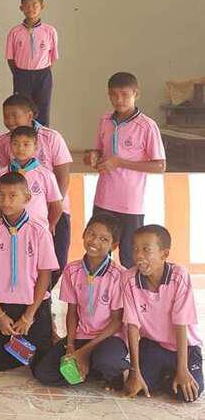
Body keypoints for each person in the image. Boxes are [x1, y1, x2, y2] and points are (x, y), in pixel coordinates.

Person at [33, 213, 128, 388]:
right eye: (91, 234)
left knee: (107, 362)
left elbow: (116, 322)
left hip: (109, 338)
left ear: (113, 246)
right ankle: (91, 370)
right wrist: (70, 346)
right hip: (81, 336)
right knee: (43, 373)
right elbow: (72, 312)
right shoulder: (72, 270)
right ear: (84, 234)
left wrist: (83, 352)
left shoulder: (119, 275)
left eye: (104, 239)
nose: (95, 241)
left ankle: (105, 369)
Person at [85, 72, 166, 268]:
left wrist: (120, 163)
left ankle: (129, 289)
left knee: (130, 257)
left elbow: (160, 166)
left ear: (136, 94)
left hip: (130, 203)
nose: (118, 100)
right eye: (113, 95)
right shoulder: (105, 120)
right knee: (98, 252)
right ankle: (100, 287)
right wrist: (92, 156)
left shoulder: (146, 126)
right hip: (103, 198)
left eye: (124, 95)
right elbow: (98, 150)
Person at [0, 172, 58, 372]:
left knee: (42, 368)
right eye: (1, 195)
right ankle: (22, 349)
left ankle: (39, 343)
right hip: (4, 305)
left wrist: (28, 317)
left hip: (33, 305)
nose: (6, 201)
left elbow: (45, 275)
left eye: (13, 195)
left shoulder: (40, 232)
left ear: (27, 198)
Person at [123, 225, 202, 403]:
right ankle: (165, 374)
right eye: (135, 249)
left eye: (146, 249)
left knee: (187, 394)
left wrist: (183, 369)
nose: (139, 255)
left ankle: (170, 373)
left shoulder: (179, 276)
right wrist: (135, 371)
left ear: (164, 254)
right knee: (138, 388)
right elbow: (132, 326)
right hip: (154, 346)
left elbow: (181, 323)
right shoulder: (128, 279)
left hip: (186, 348)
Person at [0, 127, 64, 251]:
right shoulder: (1, 174)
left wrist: (48, 228)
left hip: (38, 233)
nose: (20, 149)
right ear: (10, 146)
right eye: (16, 144)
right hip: (10, 231)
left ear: (35, 147)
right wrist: (0, 228)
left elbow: (57, 207)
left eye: (26, 144)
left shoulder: (46, 175)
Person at [6, 0, 58, 126]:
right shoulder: (14, 32)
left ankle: (42, 136)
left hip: (43, 75)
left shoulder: (50, 31)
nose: (31, 9)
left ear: (42, 6)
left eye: (35, 5)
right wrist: (19, 74)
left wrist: (41, 71)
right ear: (21, 8)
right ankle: (21, 135)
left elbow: (52, 56)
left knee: (43, 109)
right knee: (21, 109)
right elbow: (10, 58)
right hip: (22, 75)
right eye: (27, 5)